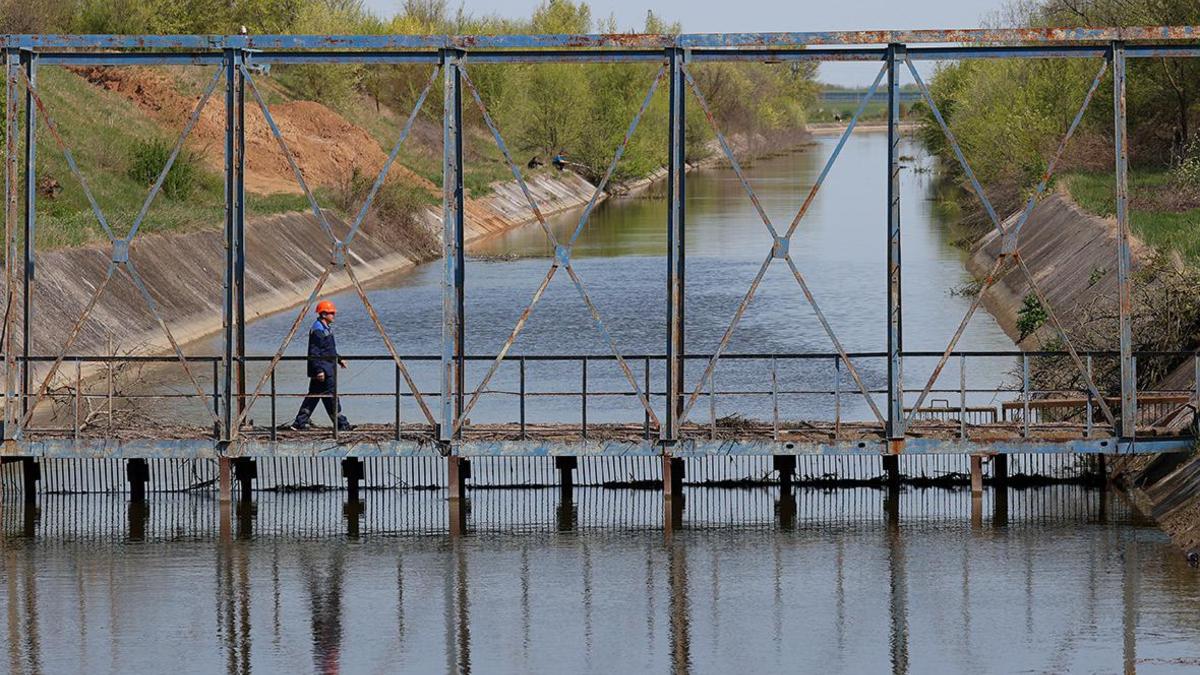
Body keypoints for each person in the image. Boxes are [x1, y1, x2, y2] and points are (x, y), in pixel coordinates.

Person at [291, 300, 353, 431]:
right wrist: (319, 370)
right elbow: (315, 352)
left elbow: (329, 349)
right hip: (323, 370)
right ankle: (341, 424)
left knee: (314, 396)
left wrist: (339, 359)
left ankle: (299, 423)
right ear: (324, 314)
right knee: (330, 396)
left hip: (326, 368)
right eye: (331, 313)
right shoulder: (318, 329)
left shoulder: (325, 328)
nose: (333, 315)